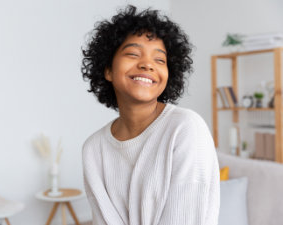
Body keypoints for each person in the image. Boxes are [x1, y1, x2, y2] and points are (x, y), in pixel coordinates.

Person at [80, 5, 220, 225]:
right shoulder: (93, 148)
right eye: (133, 54)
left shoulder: (186, 129)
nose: (147, 64)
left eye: (160, 60)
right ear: (107, 70)